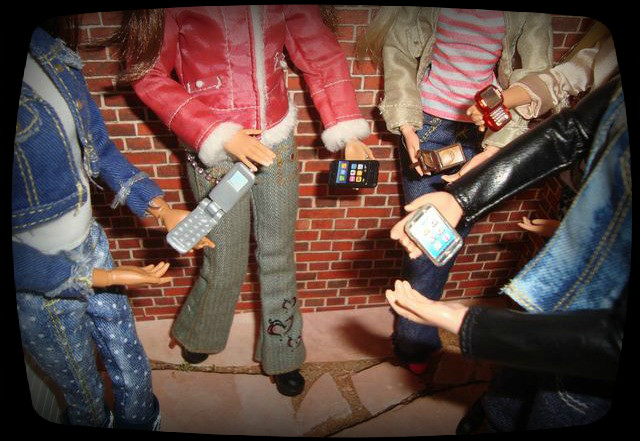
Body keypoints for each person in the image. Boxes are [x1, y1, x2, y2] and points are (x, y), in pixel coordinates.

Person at [111, 6, 374, 397]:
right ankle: (201, 332)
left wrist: (345, 128)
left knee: (278, 252)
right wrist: (214, 131)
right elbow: (148, 75)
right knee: (222, 252)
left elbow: (319, 53)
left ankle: (284, 351)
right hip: (216, 151)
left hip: (275, 141)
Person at [388, 73, 628, 431]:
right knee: (508, 390)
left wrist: (470, 325)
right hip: (560, 284)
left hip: (590, 359)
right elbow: (570, 132)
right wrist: (461, 199)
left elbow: (610, 342)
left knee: (557, 402)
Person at [13, 23, 212, 429]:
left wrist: (160, 210)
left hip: (91, 242)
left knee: (128, 357)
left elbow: (101, 151)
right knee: (81, 387)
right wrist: (101, 277)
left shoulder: (53, 56)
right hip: (43, 282)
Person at [357, 6, 552, 373]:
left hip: (487, 131)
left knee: (448, 238)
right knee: (429, 238)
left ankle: (415, 323)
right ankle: (414, 339)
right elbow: (398, 54)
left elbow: (535, 74)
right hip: (428, 126)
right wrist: (408, 127)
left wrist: (495, 149)